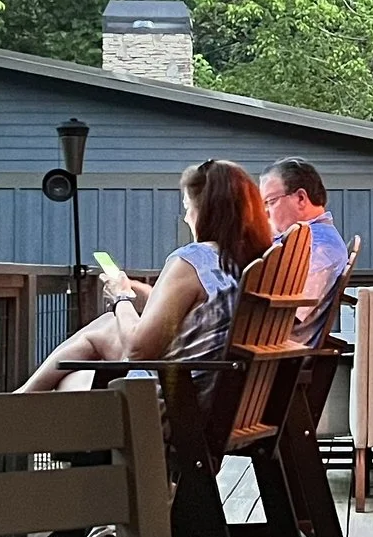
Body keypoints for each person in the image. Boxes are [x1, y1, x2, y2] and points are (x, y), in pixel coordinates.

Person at [16, 158, 272, 395]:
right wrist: (138, 290)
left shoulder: (194, 259)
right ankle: (19, 399)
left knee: (75, 377)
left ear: (205, 211)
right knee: (105, 326)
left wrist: (121, 298)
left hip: (180, 409)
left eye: (187, 207)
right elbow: (198, 312)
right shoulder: (249, 261)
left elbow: (138, 350)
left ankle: (14, 405)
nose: (185, 217)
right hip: (220, 395)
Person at [261, 157, 350, 345]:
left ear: (301, 198)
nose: (265, 213)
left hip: (272, 355)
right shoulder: (300, 241)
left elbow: (289, 314)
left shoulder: (317, 246)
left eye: (270, 201)